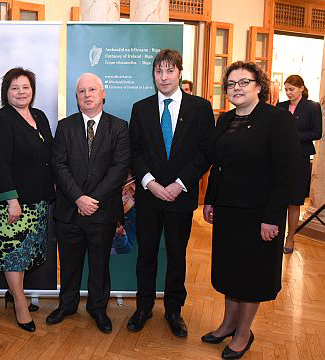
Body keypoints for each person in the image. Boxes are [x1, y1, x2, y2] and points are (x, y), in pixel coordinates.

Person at [202, 61, 299, 359]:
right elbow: (218, 165)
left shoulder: (277, 119)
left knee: (251, 277)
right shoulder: (225, 119)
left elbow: (287, 173)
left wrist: (273, 219)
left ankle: (243, 334)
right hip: (229, 212)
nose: (236, 89)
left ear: (259, 85)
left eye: (243, 82)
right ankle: (227, 324)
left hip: (260, 215)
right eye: (231, 84)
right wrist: (210, 199)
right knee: (230, 272)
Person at [128, 49, 214, 337]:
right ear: (153, 75)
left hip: (181, 196)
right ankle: (143, 307)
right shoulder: (140, 108)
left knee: (177, 257)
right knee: (146, 255)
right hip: (149, 197)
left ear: (179, 72)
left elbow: (205, 153)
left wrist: (179, 184)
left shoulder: (200, 108)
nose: (163, 77)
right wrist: (151, 183)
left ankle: (174, 311)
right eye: (158, 71)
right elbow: (135, 152)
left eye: (169, 71)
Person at [47, 73, 130, 333]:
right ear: (77, 97)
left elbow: (119, 168)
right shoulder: (65, 126)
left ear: (103, 93)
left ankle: (97, 308)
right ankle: (67, 304)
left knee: (99, 265)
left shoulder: (119, 127)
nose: (87, 95)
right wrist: (78, 198)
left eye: (92, 90)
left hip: (103, 211)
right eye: (82, 91)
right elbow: (58, 165)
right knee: (69, 265)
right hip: (70, 210)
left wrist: (92, 200)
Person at [0, 67, 54, 333]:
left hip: (37, 201)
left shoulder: (39, 116)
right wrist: (12, 200)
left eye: (25, 87)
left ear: (32, 90)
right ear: (6, 93)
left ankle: (14, 294)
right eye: (14, 88)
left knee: (26, 255)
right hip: (12, 206)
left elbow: (49, 154)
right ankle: (21, 304)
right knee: (13, 255)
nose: (21, 92)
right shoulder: (0, 121)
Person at [277, 75, 322, 254]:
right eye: (286, 89)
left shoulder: (312, 107)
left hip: (301, 160)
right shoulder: (280, 107)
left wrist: (293, 137)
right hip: (280, 159)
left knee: (294, 201)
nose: (288, 93)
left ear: (301, 88)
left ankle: (290, 238)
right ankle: (276, 235)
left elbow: (317, 133)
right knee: (278, 198)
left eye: (291, 89)